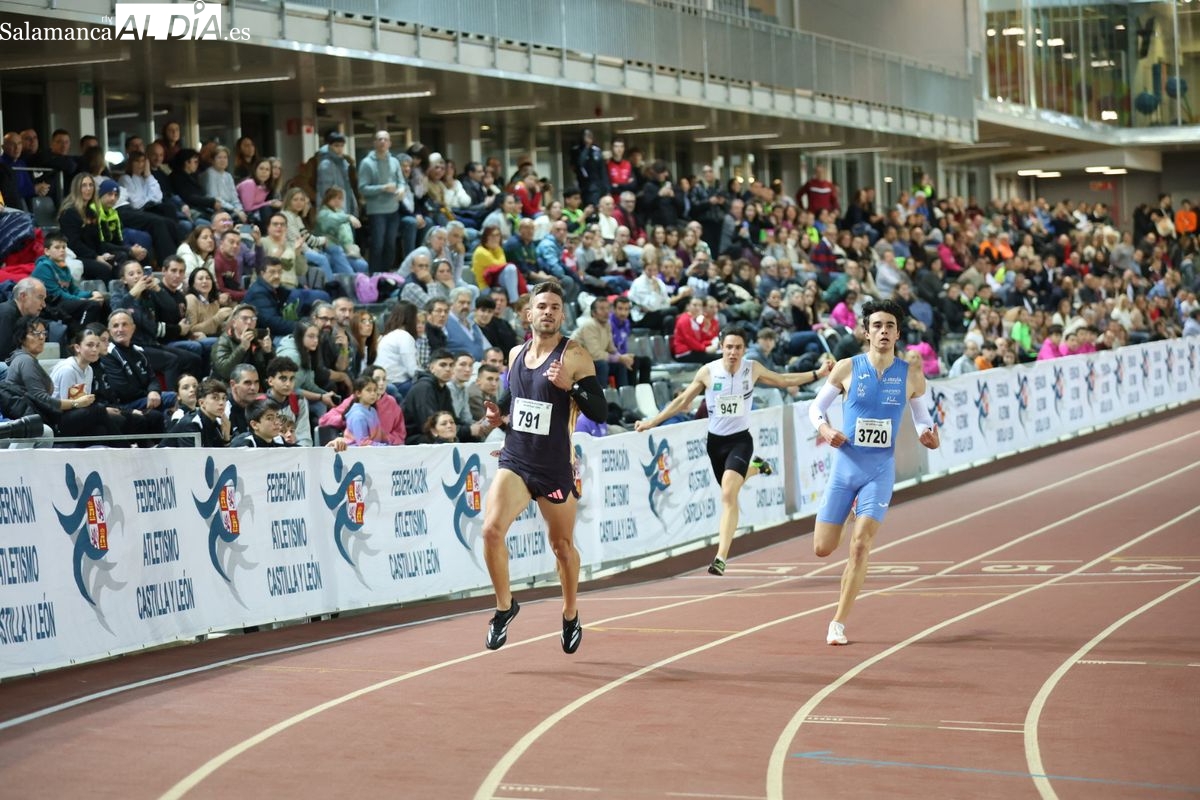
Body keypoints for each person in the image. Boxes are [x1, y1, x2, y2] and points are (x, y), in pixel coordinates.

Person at [635, 327, 831, 575]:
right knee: (731, 488)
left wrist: (818, 373)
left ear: (744, 349)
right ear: (721, 347)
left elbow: (784, 380)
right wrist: (652, 421)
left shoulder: (752, 369)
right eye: (729, 347)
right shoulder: (708, 372)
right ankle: (757, 467)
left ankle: (721, 557)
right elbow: (682, 401)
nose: (733, 352)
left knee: (728, 495)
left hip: (740, 441)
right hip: (715, 444)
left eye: (738, 347)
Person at [480, 281, 608, 653]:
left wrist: (572, 387)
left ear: (562, 314)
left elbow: (600, 412)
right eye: (542, 306)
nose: (548, 311)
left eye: (555, 306)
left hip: (554, 466)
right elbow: (515, 393)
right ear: (528, 313)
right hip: (517, 458)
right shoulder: (516, 352)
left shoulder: (576, 355)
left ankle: (570, 613)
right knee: (490, 531)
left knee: (562, 546)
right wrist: (498, 412)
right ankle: (504, 608)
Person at [807, 298, 941, 646]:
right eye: (877, 326)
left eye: (890, 326)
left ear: (898, 333)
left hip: (879, 472)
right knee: (823, 548)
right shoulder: (847, 368)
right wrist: (825, 430)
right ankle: (849, 510)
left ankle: (838, 622)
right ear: (866, 332)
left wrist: (929, 434)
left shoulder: (911, 374)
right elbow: (815, 409)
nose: (883, 332)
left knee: (860, 546)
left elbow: (924, 419)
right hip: (845, 469)